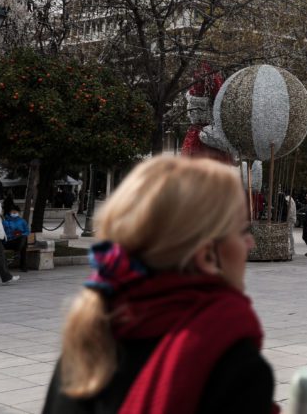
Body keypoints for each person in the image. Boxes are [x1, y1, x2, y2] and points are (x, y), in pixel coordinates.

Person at [43, 156, 277, 413]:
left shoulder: (89, 339)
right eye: (242, 231)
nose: (250, 244)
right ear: (207, 254)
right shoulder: (233, 363)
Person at [3, 204, 30, 273]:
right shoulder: (5, 221)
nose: (14, 213)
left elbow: (27, 231)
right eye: (13, 212)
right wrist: (11, 234)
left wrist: (20, 234)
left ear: (18, 212)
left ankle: (18, 251)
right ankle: (23, 265)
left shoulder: (22, 221)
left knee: (23, 239)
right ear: (10, 212)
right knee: (23, 245)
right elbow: (2, 233)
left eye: (16, 212)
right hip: (8, 242)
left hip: (19, 241)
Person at [285, 193, 297, 258]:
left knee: (290, 234)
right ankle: (291, 248)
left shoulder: (288, 200)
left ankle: (292, 249)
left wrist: (287, 218)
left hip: (290, 219)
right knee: (290, 234)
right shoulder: (290, 200)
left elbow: (290, 211)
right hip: (291, 219)